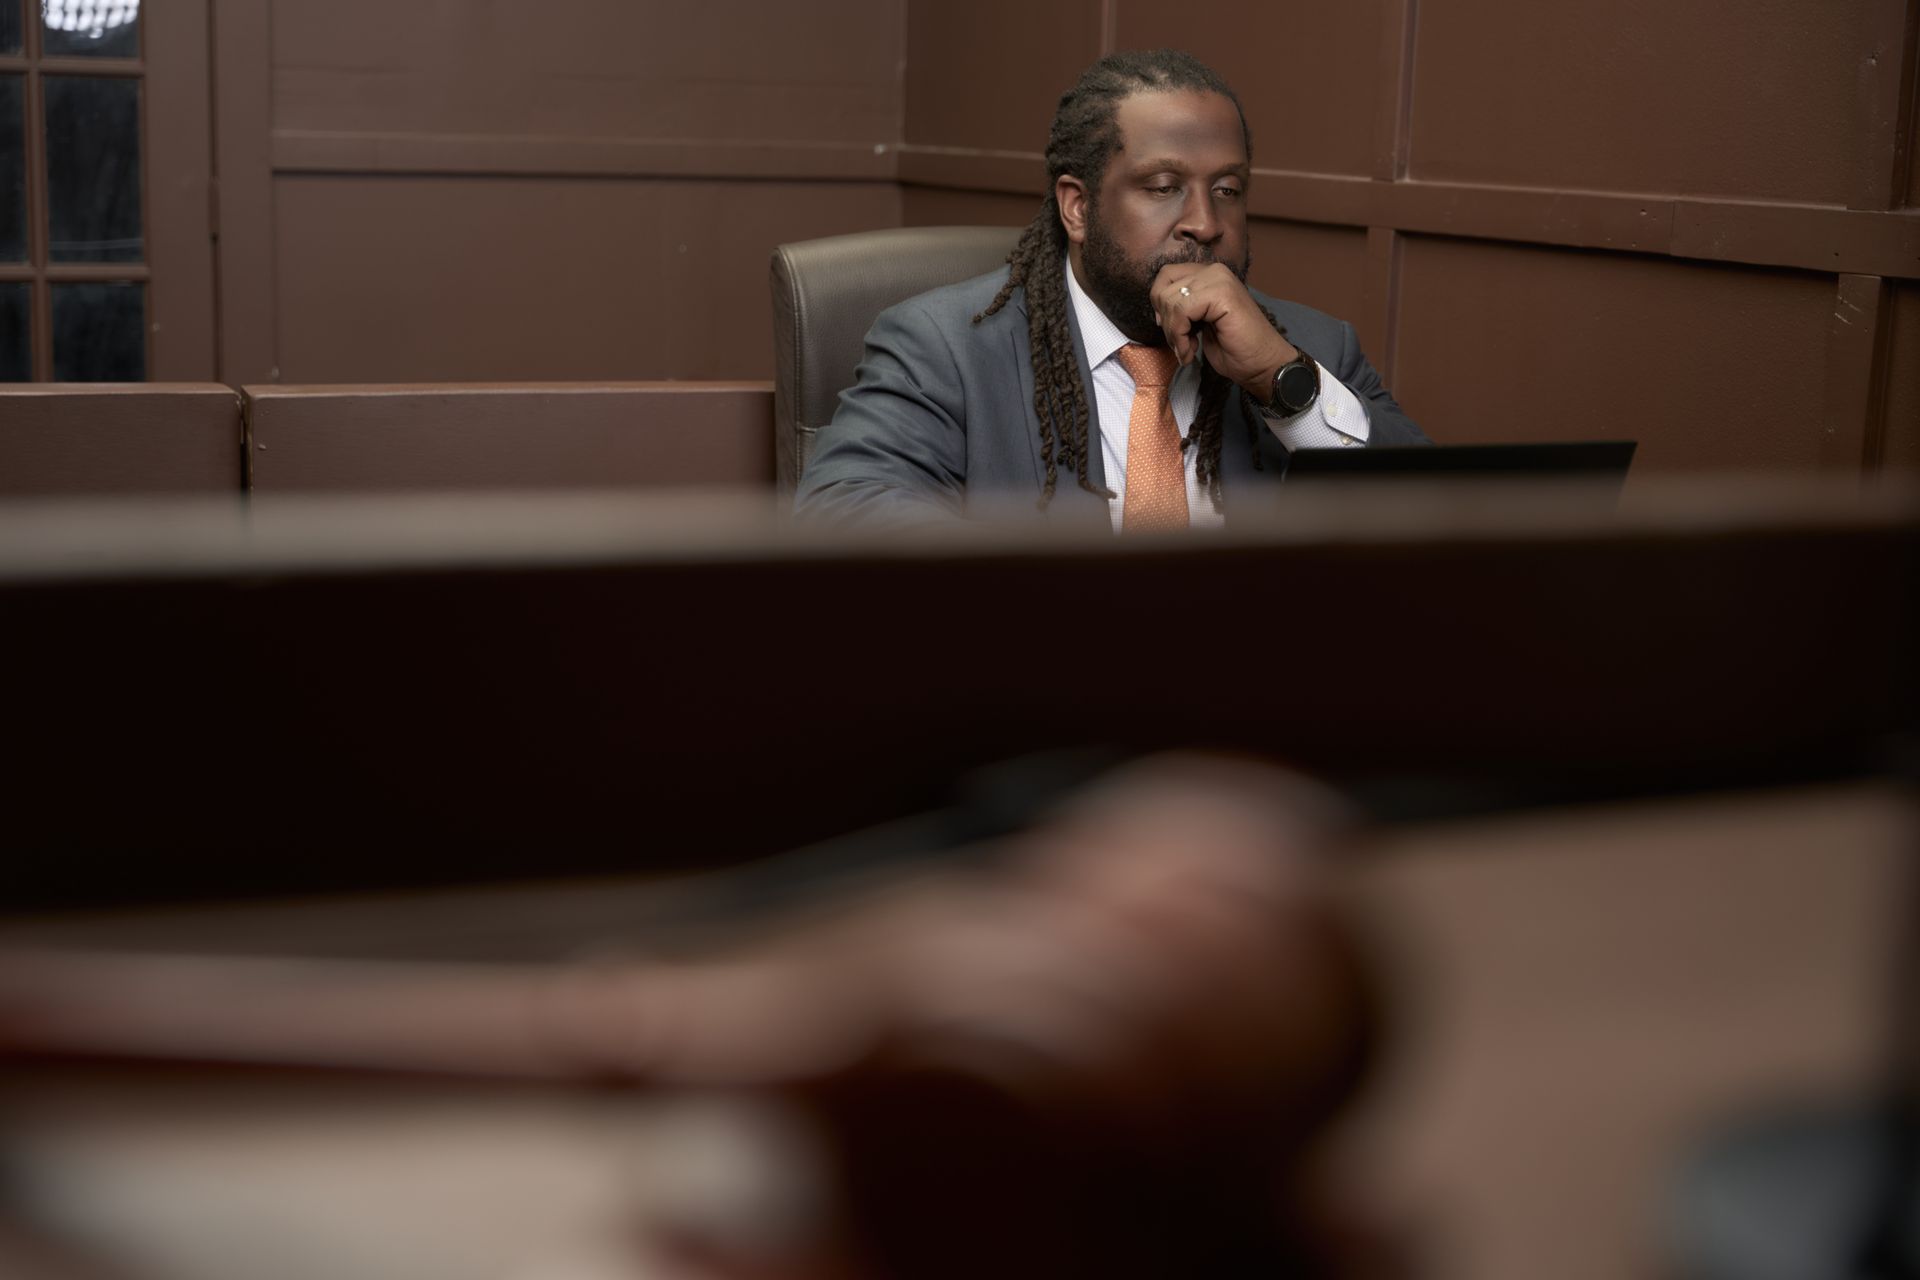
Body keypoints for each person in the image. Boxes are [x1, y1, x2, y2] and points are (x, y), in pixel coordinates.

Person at [796, 49, 1430, 530]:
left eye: (1228, 191)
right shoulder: (945, 349)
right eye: (1162, 187)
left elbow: (1445, 519)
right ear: (1077, 208)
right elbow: (845, 512)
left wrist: (1283, 385)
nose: (1205, 223)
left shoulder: (1311, 351)